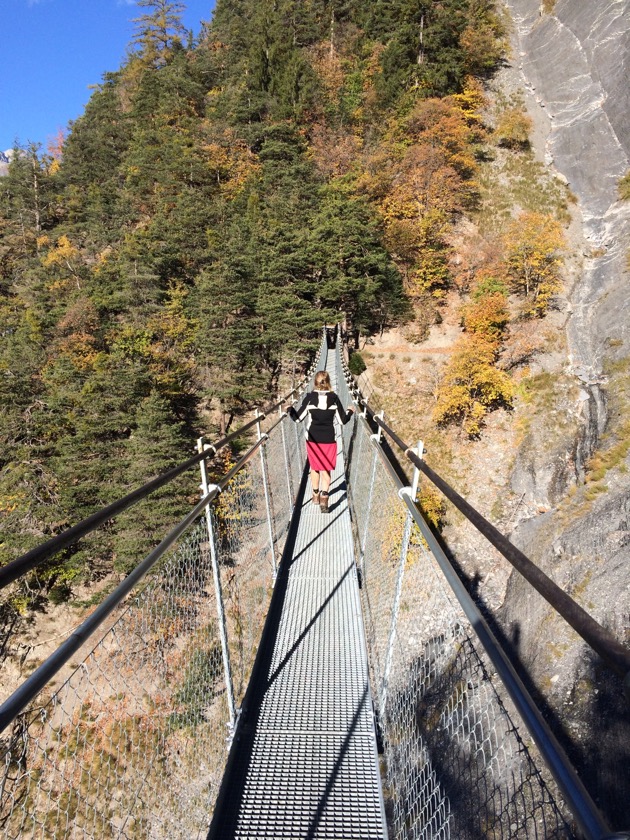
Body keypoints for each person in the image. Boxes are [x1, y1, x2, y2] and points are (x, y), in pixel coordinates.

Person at [288, 370, 355, 512]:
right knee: (326, 469)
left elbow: (297, 418)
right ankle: (325, 498)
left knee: (315, 467)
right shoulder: (334, 398)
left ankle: (315, 495)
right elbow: (343, 421)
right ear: (328, 382)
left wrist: (289, 409)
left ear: (315, 382)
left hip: (313, 439)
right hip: (329, 440)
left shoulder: (310, 398)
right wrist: (350, 411)